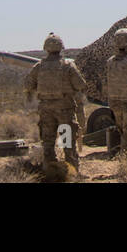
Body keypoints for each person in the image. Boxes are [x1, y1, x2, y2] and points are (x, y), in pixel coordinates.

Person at [23, 33, 87, 177]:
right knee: (68, 143)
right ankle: (72, 174)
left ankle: (50, 172)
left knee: (48, 143)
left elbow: (28, 85)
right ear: (61, 48)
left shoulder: (39, 66)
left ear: (46, 48)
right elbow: (80, 85)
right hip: (64, 110)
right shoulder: (67, 65)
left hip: (46, 111)